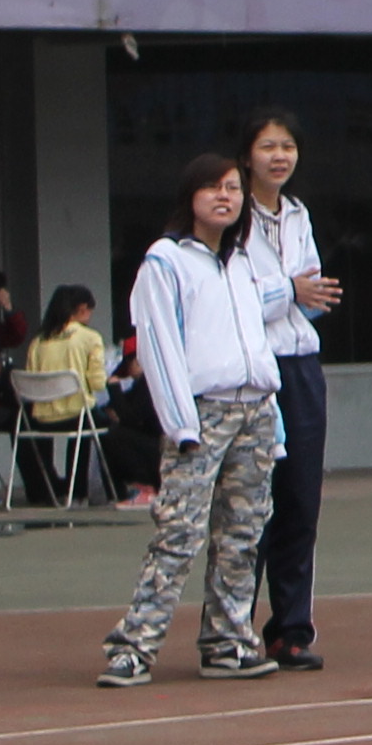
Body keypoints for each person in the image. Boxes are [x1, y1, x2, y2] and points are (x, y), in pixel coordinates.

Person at [103, 153, 282, 688]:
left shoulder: (244, 261)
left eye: (233, 188)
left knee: (243, 534)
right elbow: (158, 345)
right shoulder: (166, 260)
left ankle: (228, 642)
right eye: (213, 188)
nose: (225, 197)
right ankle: (134, 647)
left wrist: (273, 423)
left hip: (255, 411)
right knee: (179, 532)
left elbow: (258, 337)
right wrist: (181, 424)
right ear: (190, 197)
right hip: (202, 414)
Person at [238, 113, 339, 668]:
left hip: (300, 365)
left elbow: (313, 293)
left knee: (300, 499)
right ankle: (232, 628)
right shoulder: (233, 217)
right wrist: (289, 291)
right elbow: (236, 299)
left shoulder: (298, 214)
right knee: (251, 503)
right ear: (246, 154)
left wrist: (293, 294)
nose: (279, 156)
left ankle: (291, 629)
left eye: (288, 146)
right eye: (268, 146)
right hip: (253, 369)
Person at [17, 285, 112, 505]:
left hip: (41, 417)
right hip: (77, 414)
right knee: (102, 425)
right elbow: (97, 383)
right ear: (82, 308)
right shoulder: (89, 338)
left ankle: (47, 491)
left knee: (80, 425)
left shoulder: (38, 341)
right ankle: (82, 492)